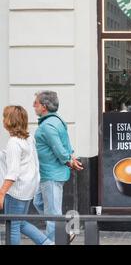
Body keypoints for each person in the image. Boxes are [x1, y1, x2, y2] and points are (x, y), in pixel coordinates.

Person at [32, 91, 83, 242]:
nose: (33, 106)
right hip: (46, 173)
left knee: (52, 213)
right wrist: (71, 156)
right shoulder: (57, 121)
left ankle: (55, 240)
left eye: (36, 103)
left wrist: (69, 160)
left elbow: (59, 149)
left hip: (51, 174)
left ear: (44, 106)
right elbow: (66, 143)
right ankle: (64, 229)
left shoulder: (48, 125)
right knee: (38, 202)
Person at [0, 106, 53, 245]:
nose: (3, 120)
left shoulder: (13, 143)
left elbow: (13, 173)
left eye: (4, 117)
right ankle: (47, 243)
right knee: (20, 222)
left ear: (9, 121)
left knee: (13, 225)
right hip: (28, 187)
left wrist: (2, 193)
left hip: (17, 190)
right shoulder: (27, 138)